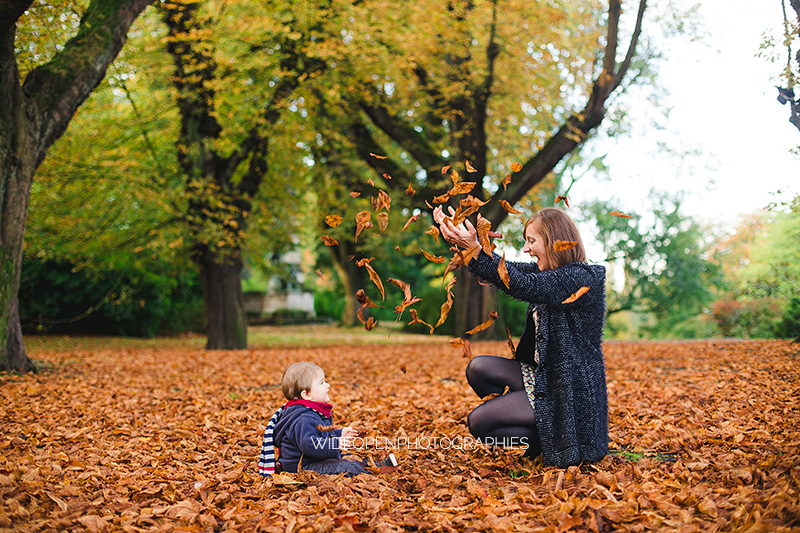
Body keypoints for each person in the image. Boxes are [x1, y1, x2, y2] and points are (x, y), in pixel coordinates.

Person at [433, 205, 608, 468]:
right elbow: (510, 271)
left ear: (554, 242)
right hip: (542, 375)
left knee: (479, 422)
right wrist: (470, 249)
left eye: (531, 241)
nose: (526, 248)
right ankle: (535, 421)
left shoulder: (582, 278)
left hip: (565, 392)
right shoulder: (546, 273)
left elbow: (527, 285)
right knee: (478, 368)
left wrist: (479, 254)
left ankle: (551, 438)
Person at [258, 362, 396, 476]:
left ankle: (372, 466)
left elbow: (320, 434)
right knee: (346, 467)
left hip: (311, 461)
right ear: (306, 394)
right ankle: (376, 471)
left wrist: (339, 433)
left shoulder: (308, 411)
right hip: (303, 467)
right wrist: (334, 444)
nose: (327, 385)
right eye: (322, 382)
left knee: (348, 457)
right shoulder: (303, 418)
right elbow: (309, 444)